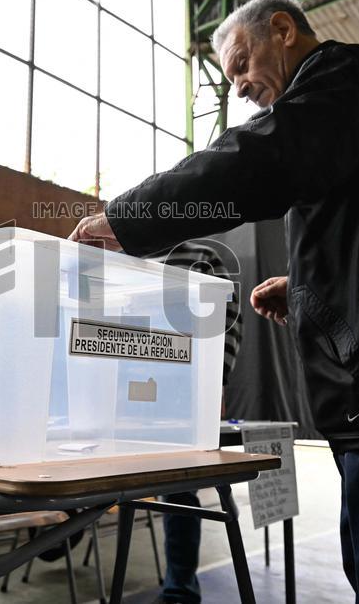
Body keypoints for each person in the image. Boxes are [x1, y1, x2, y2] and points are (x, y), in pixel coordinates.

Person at [69, 0, 359, 603]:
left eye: (242, 64)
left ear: (283, 31)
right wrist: (310, 288)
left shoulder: (345, 79)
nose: (238, 87)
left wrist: (131, 217)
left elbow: (267, 156)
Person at [150, 241, 242, 603]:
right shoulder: (128, 252)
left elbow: (228, 318)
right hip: (130, 379)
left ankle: (179, 589)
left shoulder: (204, 254)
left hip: (183, 388)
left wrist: (215, 380)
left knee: (179, 486)